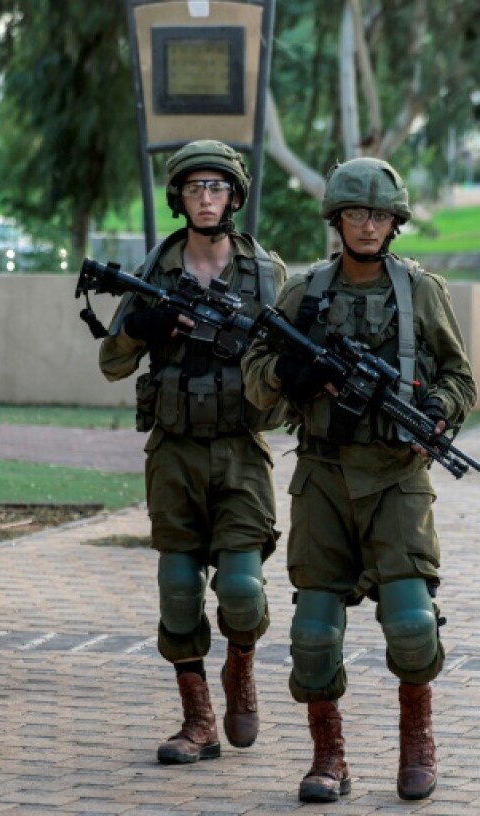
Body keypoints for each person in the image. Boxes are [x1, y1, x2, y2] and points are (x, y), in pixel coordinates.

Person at [242, 158, 476, 803]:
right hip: (321, 475)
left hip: (398, 479)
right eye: (355, 213)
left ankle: (417, 745)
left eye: (378, 215)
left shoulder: (421, 291)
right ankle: (329, 758)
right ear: (337, 219)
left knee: (411, 622)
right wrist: (291, 375)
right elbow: (257, 374)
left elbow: (461, 378)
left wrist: (437, 408)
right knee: (313, 633)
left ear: (394, 222)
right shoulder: (306, 290)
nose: (367, 225)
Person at [98, 140, 287, 765]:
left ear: (234, 197)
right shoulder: (154, 271)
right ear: (178, 198)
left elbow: (286, 369)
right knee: (177, 587)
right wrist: (140, 327)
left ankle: (240, 668)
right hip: (174, 451)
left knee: (242, 590)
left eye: (217, 188)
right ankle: (197, 719)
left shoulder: (267, 274)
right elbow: (111, 364)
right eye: (194, 188)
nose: (206, 199)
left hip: (240, 450)